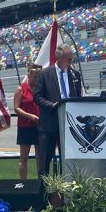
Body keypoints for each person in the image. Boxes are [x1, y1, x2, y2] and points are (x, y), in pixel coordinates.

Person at [33, 44, 83, 177]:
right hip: (49, 123)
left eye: (72, 59)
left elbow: (78, 97)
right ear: (58, 57)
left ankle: (66, 192)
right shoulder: (45, 74)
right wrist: (52, 105)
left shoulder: (75, 75)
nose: (71, 62)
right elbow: (37, 96)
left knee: (68, 161)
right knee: (45, 161)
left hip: (69, 124)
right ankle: (44, 192)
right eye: (68, 59)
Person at [14, 64, 42, 179]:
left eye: (38, 76)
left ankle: (41, 182)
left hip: (39, 126)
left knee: (40, 157)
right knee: (24, 158)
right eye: (34, 76)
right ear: (28, 75)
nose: (36, 79)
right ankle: (24, 183)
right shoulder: (21, 88)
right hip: (25, 126)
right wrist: (29, 116)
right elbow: (16, 108)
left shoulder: (41, 89)